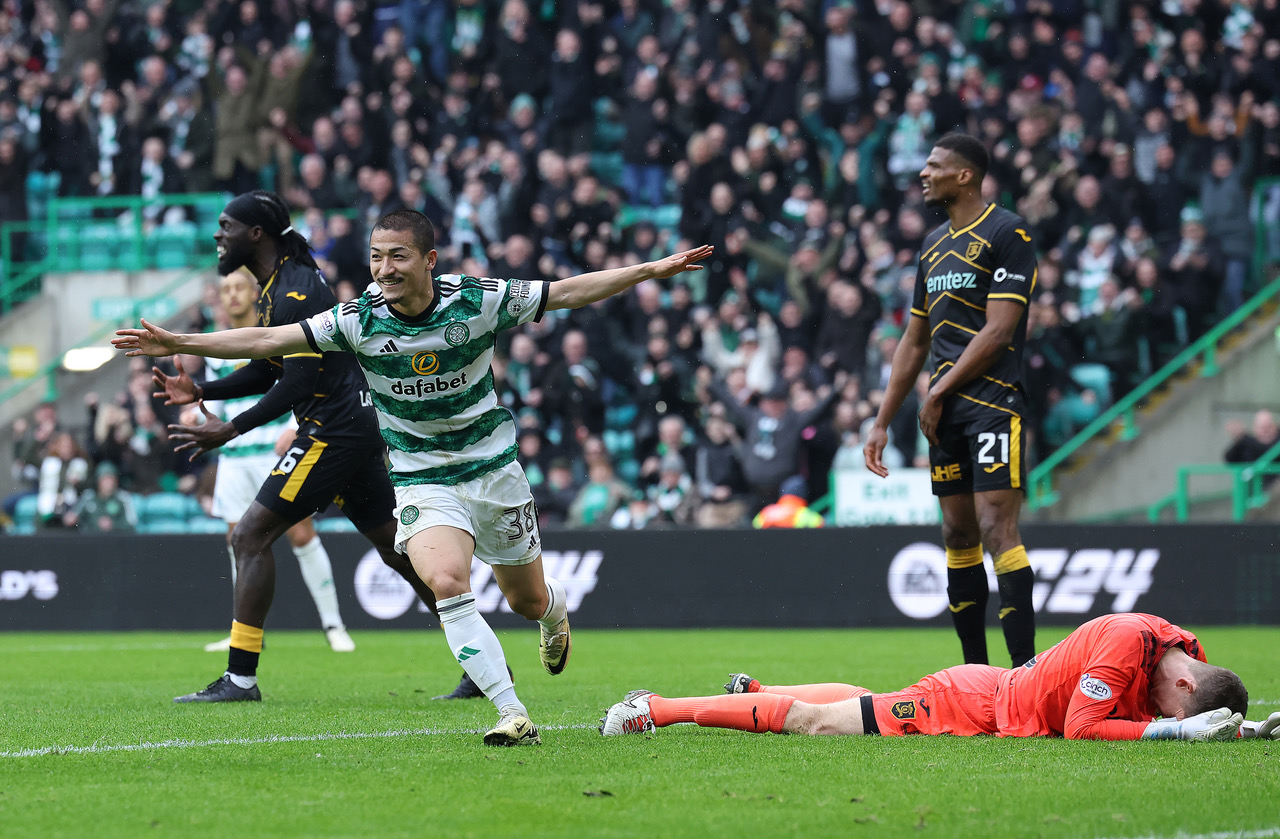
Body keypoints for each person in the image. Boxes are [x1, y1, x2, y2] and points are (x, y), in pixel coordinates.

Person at [115, 208, 714, 746]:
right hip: (421, 474)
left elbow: (565, 292)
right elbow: (271, 339)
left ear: (429, 260)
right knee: (447, 581)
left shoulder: (476, 300)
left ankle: (554, 614)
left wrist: (647, 270)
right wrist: (179, 341)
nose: (384, 269)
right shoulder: (358, 318)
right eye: (376, 257)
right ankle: (511, 712)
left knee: (525, 599)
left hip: (493, 470)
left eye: (397, 256)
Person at [138, 191, 440, 707]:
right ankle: (482, 659)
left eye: (227, 226)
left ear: (256, 233)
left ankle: (240, 678)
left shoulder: (294, 290)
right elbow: (268, 366)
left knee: (250, 534)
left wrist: (231, 429)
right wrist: (203, 390)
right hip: (352, 425)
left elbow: (298, 381)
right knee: (397, 551)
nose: (218, 235)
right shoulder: (282, 283)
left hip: (332, 431)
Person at [863, 134, 1039, 668]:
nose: (924, 173)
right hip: (944, 415)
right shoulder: (933, 246)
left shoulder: (1008, 232)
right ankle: (974, 674)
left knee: (995, 527)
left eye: (935, 165)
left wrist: (937, 390)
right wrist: (881, 422)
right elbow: (914, 341)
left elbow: (1000, 330)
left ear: (964, 176)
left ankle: (1025, 673)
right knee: (957, 533)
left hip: (993, 401)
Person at [600, 612, 1279, 742]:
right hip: (970, 704)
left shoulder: (1183, 649)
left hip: (988, 686)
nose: (1159, 715)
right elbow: (1081, 727)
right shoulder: (1125, 645)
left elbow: (1189, 708)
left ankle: (754, 693)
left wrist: (1241, 729)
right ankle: (654, 707)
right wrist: (1172, 734)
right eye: (1171, 712)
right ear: (1184, 688)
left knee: (865, 701)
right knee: (818, 724)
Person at [199, 268, 355, 654]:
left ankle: (333, 624)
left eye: (239, 287)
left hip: (275, 452)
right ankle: (245, 631)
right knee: (238, 541)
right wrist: (198, 415)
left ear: (254, 293)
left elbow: (298, 381)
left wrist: (293, 426)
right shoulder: (216, 345)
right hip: (234, 460)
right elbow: (226, 398)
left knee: (301, 534)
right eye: (226, 289)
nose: (232, 295)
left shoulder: (276, 331)